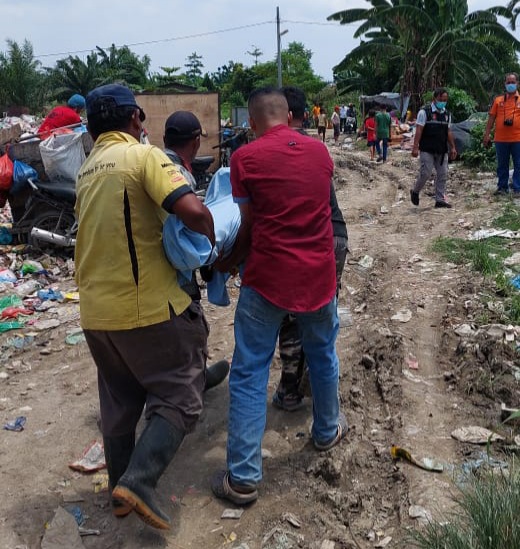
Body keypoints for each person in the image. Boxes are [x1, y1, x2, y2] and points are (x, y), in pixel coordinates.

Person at [74, 84, 215, 530]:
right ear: (135, 118)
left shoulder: (86, 169)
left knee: (120, 399)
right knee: (182, 391)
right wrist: (213, 237)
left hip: (95, 314)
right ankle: (140, 481)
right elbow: (192, 211)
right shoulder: (142, 156)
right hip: (145, 307)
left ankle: (120, 490)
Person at [210, 86, 347, 506]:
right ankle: (326, 431)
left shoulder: (243, 158)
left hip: (267, 279)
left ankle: (244, 478)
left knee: (250, 371)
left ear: (251, 122)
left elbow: (248, 226)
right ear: (289, 116)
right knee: (322, 354)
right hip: (318, 276)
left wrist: (227, 262)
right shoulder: (320, 152)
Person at [271, 85, 349, 412]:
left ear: (282, 114)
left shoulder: (274, 149)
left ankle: (292, 390)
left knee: (293, 317)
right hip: (334, 237)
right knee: (320, 318)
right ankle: (321, 394)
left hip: (303, 243)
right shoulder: (316, 148)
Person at [162, 110, 230, 391]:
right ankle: (193, 382)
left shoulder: (152, 164)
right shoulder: (177, 174)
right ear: (195, 142)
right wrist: (212, 252)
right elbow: (193, 223)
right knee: (190, 323)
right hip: (174, 265)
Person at [410, 87, 457, 208]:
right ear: (434, 99)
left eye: (445, 100)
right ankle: (415, 191)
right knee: (425, 173)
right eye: (441, 100)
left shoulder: (447, 114)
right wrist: (415, 147)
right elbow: (419, 130)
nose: (443, 102)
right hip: (427, 149)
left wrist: (453, 147)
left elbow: (448, 131)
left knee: (443, 174)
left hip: (442, 149)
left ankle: (440, 200)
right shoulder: (424, 112)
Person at [483, 72, 520, 195]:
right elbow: (491, 118)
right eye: (508, 82)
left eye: (513, 82)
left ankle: (518, 188)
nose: (510, 84)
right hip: (501, 139)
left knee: (519, 164)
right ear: (505, 84)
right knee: (502, 165)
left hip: (518, 139)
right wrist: (487, 134)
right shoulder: (498, 100)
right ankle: (502, 187)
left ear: (517, 83)